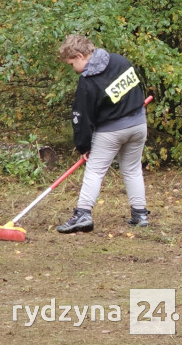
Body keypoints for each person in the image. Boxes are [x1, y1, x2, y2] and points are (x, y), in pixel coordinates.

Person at [56, 34, 151, 233]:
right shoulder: (120, 60)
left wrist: (83, 146)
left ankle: (82, 213)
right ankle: (140, 214)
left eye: (72, 64)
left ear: (81, 56)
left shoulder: (87, 82)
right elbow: (138, 88)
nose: (73, 69)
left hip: (111, 131)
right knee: (132, 169)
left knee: (95, 170)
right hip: (138, 125)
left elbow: (81, 119)